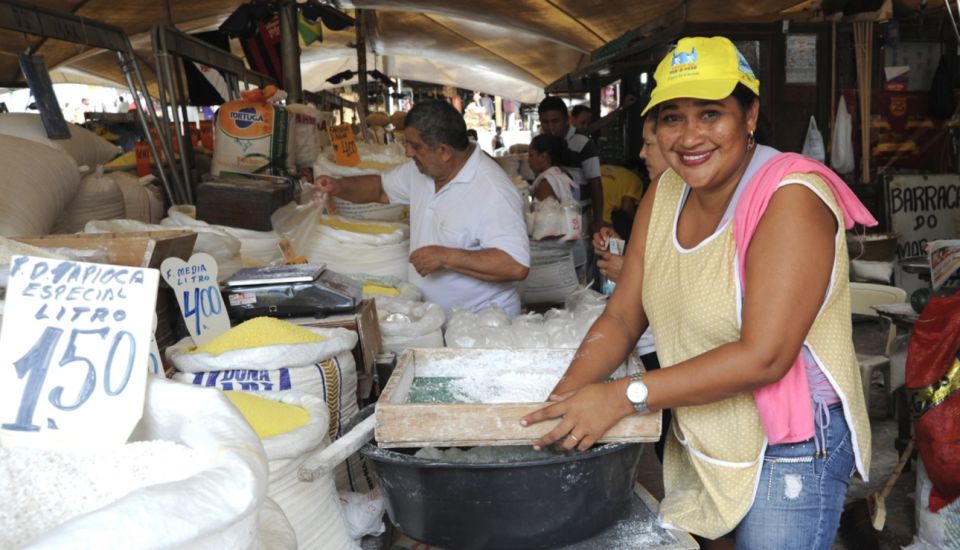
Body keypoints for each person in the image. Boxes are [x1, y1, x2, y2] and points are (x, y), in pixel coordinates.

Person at [522, 36, 874, 548]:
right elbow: (624, 315)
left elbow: (765, 358)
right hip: (706, 425)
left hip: (789, 447)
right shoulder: (667, 192)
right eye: (672, 118)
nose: (689, 136)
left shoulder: (790, 199)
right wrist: (561, 408)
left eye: (711, 114)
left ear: (749, 116)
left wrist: (621, 397)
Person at [314, 99, 530, 317]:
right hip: (435, 320)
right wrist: (338, 186)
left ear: (444, 151)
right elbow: (380, 189)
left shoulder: (493, 190)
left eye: (415, 146)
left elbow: (514, 265)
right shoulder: (422, 172)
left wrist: (446, 257)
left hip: (483, 325)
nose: (407, 152)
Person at [537, 96, 603, 233]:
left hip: (580, 217)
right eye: (545, 122)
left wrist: (598, 220)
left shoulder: (583, 143)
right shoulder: (542, 143)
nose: (551, 127)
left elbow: (595, 183)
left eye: (555, 121)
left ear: (567, 119)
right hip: (552, 218)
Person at [527, 134, 576, 202]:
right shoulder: (561, 175)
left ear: (543, 156)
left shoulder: (545, 183)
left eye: (530, 155)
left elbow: (542, 212)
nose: (528, 160)